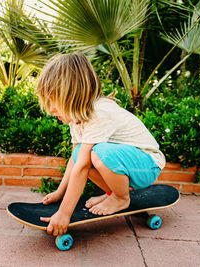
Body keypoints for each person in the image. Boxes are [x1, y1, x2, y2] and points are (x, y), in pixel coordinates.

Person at [36, 52, 165, 236]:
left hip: (148, 164)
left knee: (96, 153)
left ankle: (121, 198)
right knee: (80, 153)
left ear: (72, 94)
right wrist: (59, 192)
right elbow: (75, 162)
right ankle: (114, 193)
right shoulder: (77, 119)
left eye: (53, 99)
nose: (50, 108)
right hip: (127, 163)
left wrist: (64, 214)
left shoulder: (99, 113)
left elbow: (82, 168)